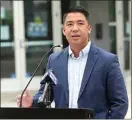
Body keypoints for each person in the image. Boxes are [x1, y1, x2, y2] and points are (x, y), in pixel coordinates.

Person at [16, 6, 128, 118]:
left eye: (80, 23)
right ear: (64, 30)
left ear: (89, 28)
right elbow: (45, 94)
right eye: (69, 24)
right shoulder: (54, 60)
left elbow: (120, 103)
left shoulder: (108, 61)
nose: (75, 29)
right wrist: (31, 102)